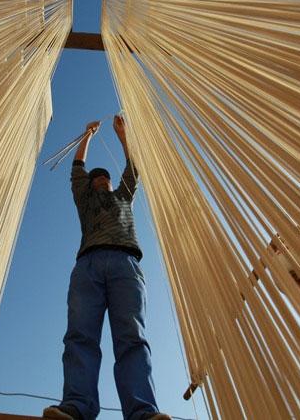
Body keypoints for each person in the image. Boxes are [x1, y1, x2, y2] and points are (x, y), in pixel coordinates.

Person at [43, 115, 170, 420]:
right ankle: (76, 407)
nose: (100, 178)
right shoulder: (85, 201)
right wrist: (86, 135)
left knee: (131, 336)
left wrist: (124, 137)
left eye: (104, 177)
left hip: (125, 263)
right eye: (95, 177)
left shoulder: (122, 197)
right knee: (80, 335)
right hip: (88, 263)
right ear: (89, 185)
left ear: (111, 182)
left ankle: (142, 412)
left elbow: (134, 170)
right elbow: (77, 170)